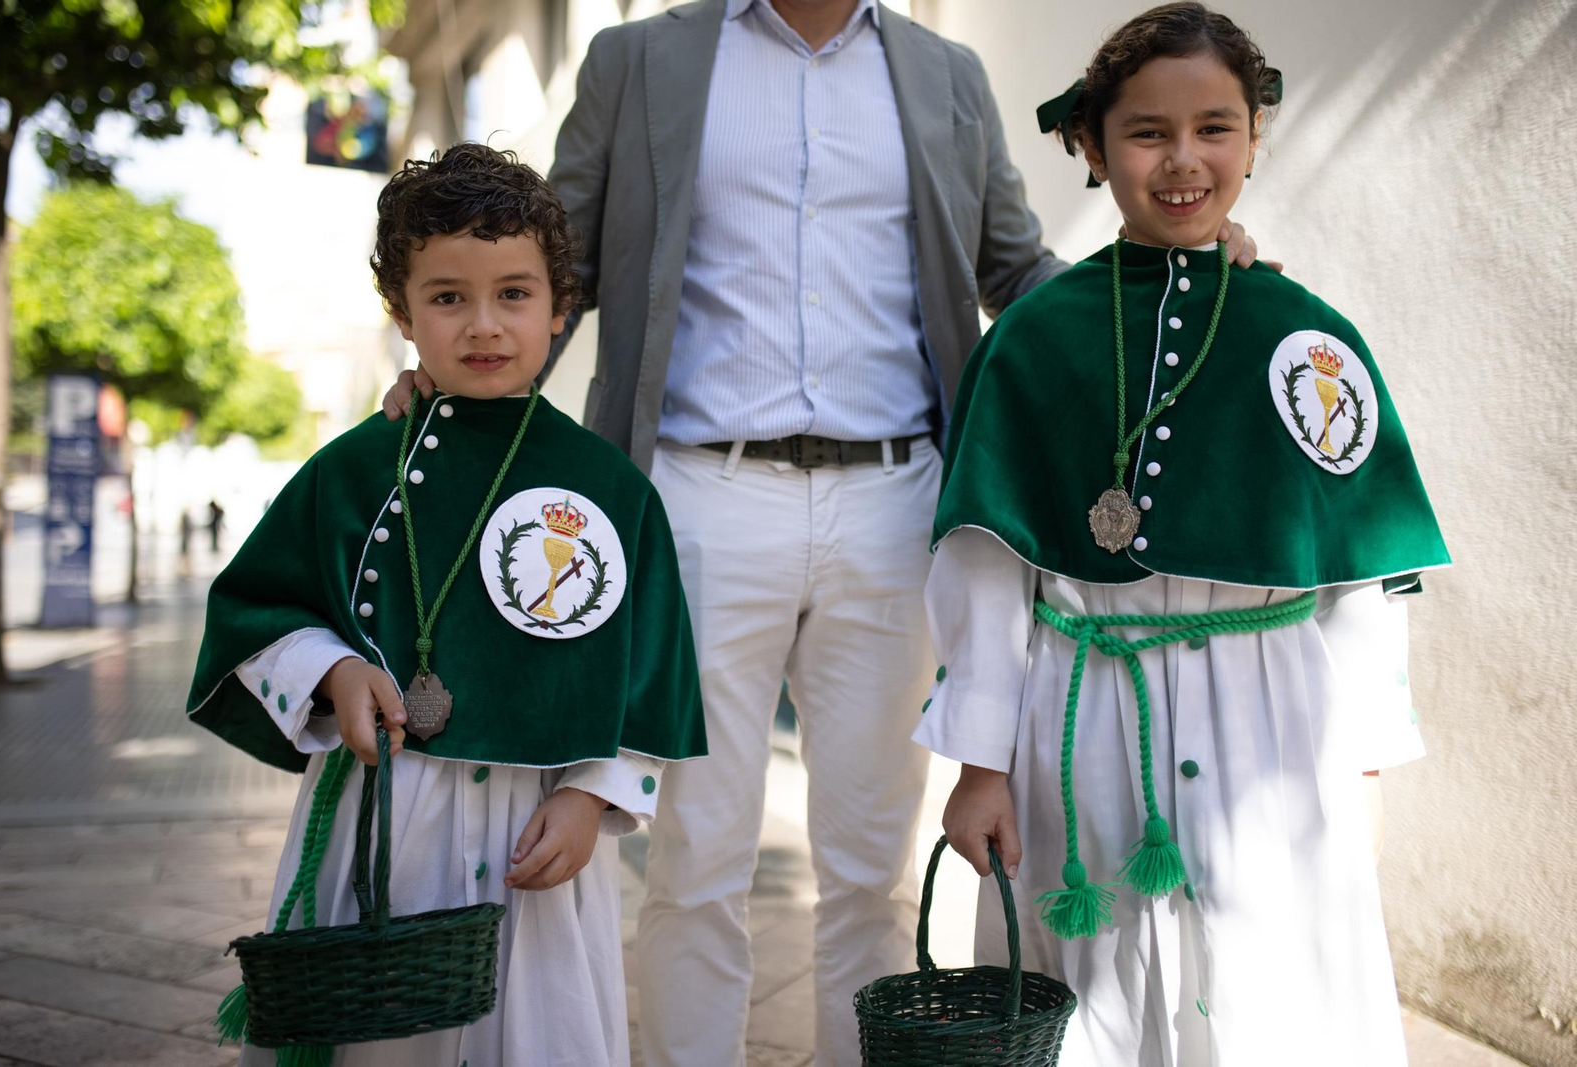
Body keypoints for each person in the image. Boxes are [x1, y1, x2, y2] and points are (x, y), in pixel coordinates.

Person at [383, 4, 1269, 1063]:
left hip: (896, 501)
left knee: (869, 861)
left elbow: (1013, 271)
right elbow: (547, 269)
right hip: (696, 496)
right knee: (696, 856)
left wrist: (1184, 271)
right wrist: (455, 373)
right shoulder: (638, 60)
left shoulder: (944, 73)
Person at [922, 4, 1450, 1064]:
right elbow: (986, 567)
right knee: (1101, 982)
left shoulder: (1308, 336)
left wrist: (1361, 761)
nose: (1182, 160)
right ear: (1090, 143)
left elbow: (1358, 573)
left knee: (1267, 984)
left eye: (1214, 127)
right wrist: (981, 761)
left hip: (1274, 719)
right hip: (1086, 716)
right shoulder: (1030, 340)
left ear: (1254, 136)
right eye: (1146, 132)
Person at [186, 143, 706, 1065]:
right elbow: (255, 612)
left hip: (536, 831)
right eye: (447, 297)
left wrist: (591, 797)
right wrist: (335, 670)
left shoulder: (611, 489)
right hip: (384, 813)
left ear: (560, 307)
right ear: (403, 313)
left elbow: (653, 670)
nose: (484, 325)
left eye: (514, 293)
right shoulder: (354, 467)